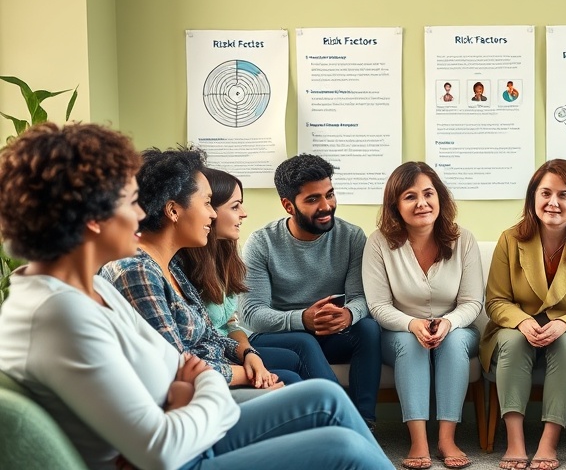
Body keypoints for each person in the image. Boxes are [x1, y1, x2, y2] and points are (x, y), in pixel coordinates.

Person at [0, 122, 391, 470]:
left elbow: (183, 361)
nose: (142, 215)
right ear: (92, 216)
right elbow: (162, 445)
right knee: (342, 446)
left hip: (189, 422)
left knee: (323, 395)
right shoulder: (64, 312)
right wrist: (198, 390)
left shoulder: (94, 287)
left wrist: (189, 390)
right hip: (186, 449)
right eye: (131, 202)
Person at [102, 146, 291, 400]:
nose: (213, 214)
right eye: (207, 203)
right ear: (173, 210)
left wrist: (248, 354)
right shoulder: (137, 272)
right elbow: (176, 365)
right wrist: (246, 375)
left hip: (212, 379)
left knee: (298, 383)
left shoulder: (171, 266)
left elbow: (210, 335)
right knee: (316, 393)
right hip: (194, 395)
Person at [483, 158, 566, 470]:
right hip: (517, 329)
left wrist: (564, 323)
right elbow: (496, 301)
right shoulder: (510, 239)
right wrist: (523, 321)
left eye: (564, 195)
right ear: (533, 197)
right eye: (545, 193)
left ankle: (548, 442)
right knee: (513, 342)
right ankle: (515, 442)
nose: (553, 202)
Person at [240, 154, 382, 427]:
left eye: (330, 194)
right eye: (313, 199)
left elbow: (361, 298)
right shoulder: (261, 243)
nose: (326, 206)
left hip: (331, 334)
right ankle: (343, 421)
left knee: (368, 328)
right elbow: (252, 314)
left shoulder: (351, 237)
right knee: (303, 341)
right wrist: (303, 319)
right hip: (280, 337)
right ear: (288, 205)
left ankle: (365, 420)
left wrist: (349, 315)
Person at [363, 162, 483, 469]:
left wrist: (448, 323)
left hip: (456, 328)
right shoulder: (378, 243)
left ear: (439, 197)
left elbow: (472, 302)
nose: (422, 203)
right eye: (410, 196)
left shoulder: (464, 239)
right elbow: (378, 306)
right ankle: (418, 441)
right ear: (395, 205)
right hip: (399, 331)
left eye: (428, 193)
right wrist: (412, 324)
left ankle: (446, 439)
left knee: (454, 342)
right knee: (409, 341)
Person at [179, 167, 341, 386]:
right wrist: (248, 358)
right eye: (235, 206)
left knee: (301, 351)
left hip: (230, 345)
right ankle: (335, 404)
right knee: (295, 360)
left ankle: (338, 405)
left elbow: (231, 324)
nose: (244, 213)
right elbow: (208, 339)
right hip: (215, 355)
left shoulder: (225, 256)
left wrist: (249, 353)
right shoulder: (183, 268)